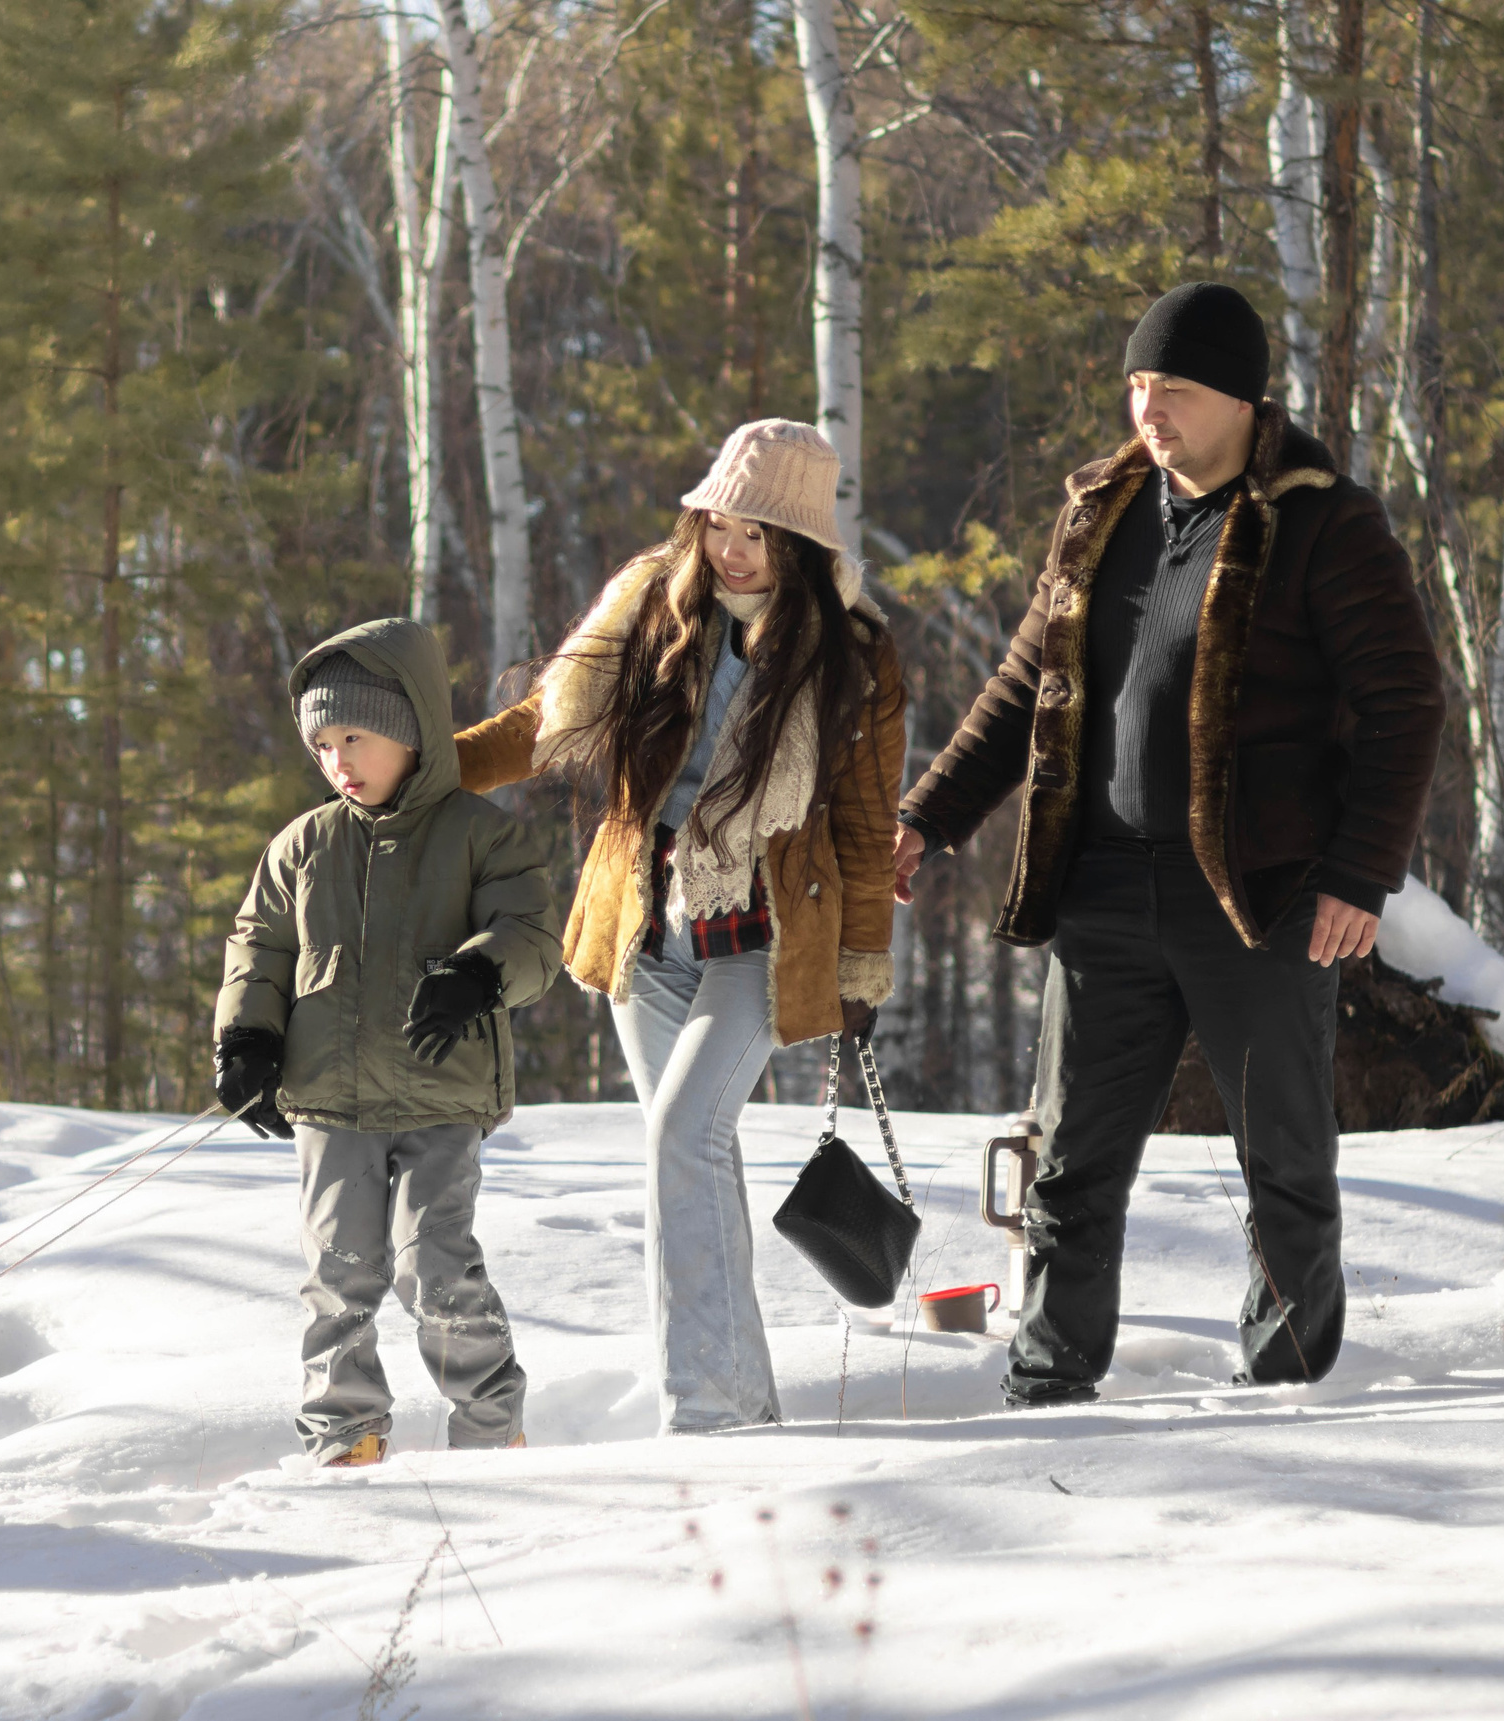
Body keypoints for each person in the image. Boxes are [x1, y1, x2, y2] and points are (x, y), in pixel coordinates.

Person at [895, 283, 1445, 1407]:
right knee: (1072, 1150)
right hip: (1101, 886)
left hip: (1261, 894)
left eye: (1176, 390)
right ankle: (1048, 1376)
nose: (1150, 410)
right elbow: (1023, 685)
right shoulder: (1101, 507)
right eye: (1138, 385)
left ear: (1243, 397)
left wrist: (1357, 873)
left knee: (1282, 1154)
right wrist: (927, 815)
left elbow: (1405, 705)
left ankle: (1290, 1382)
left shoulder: (1322, 520)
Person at [455, 419, 906, 1435]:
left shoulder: (854, 652)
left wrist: (862, 962)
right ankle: (744, 1406)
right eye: (717, 523)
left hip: (767, 931)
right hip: (649, 920)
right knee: (696, 1159)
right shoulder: (651, 606)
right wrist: (429, 771)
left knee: (679, 1136)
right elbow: (544, 721)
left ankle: (699, 1413)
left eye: (758, 532)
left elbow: (869, 818)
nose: (731, 550)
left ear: (799, 543)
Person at [213, 617, 562, 1468]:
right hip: (330, 1100)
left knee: (434, 1267)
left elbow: (532, 934)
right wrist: (248, 1038)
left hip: (440, 1094)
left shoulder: (483, 834)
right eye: (323, 743)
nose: (339, 761)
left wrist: (477, 975)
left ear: (410, 728)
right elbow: (259, 947)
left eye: (356, 738)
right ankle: (344, 1434)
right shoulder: (304, 845)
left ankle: (489, 1428)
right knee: (338, 1273)